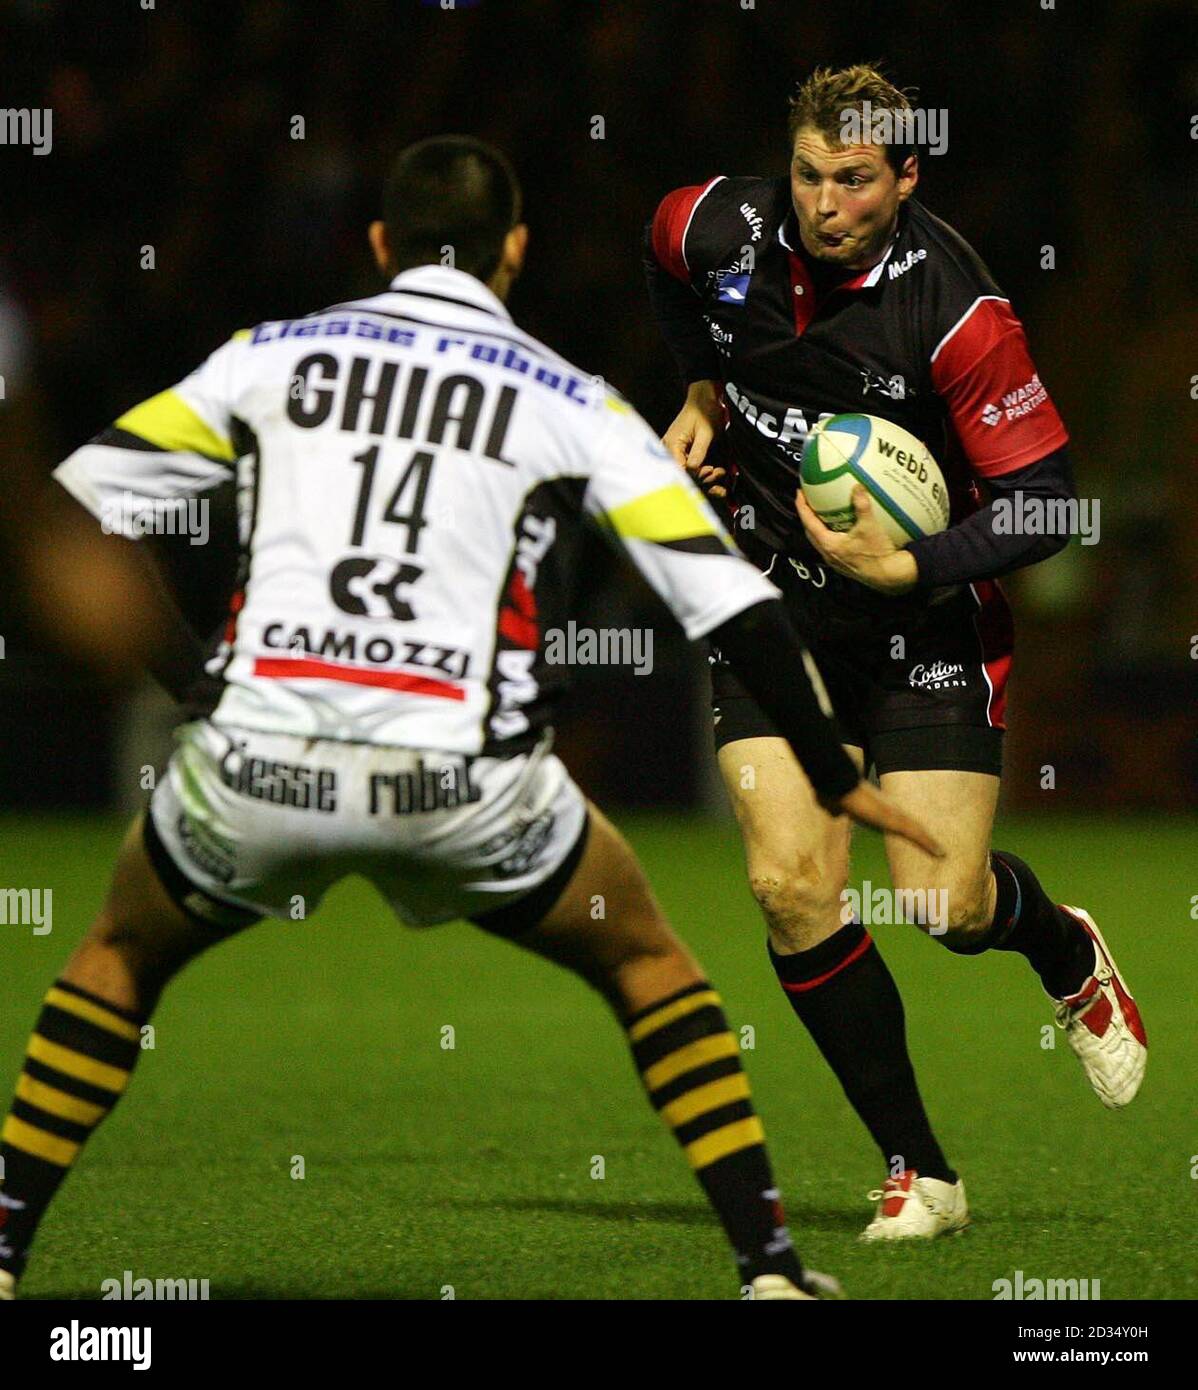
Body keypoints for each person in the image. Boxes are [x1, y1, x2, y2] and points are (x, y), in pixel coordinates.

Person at [0, 135, 939, 1302]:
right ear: (517, 253)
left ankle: (1, 1250)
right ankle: (771, 1271)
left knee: (117, 955)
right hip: (460, 775)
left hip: (259, 758)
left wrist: (189, 678)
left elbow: (80, 507)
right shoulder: (566, 397)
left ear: (382, 245)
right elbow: (730, 600)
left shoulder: (269, 356)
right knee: (649, 962)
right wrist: (823, 761)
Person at [644, 65, 1147, 1240]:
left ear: (907, 175)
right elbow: (668, 275)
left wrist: (906, 570)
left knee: (941, 904)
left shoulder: (959, 316)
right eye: (810, 176)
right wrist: (702, 394)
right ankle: (919, 1170)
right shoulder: (710, 226)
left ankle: (1057, 941)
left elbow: (1044, 504)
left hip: (923, 620)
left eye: (856, 180)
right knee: (787, 882)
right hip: (770, 598)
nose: (826, 204)